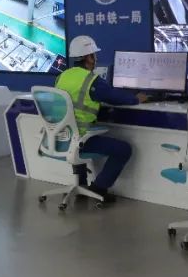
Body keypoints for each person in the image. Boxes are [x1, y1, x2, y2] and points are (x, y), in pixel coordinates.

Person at [54, 35, 149, 204]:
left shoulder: (62, 76)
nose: (95, 59)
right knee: (123, 149)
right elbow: (116, 97)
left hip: (60, 138)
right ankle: (99, 188)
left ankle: (81, 185)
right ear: (89, 57)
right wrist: (136, 99)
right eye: (94, 55)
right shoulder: (91, 80)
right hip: (79, 138)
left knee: (77, 136)